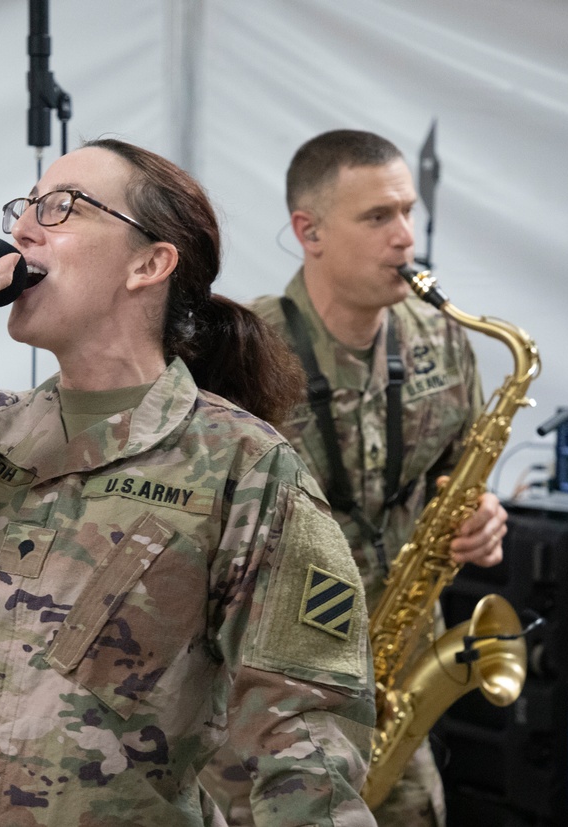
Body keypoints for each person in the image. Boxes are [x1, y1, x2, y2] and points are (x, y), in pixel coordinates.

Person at [0, 138, 379, 826]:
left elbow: (307, 737)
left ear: (149, 262)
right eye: (25, 205)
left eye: (61, 207)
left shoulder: (244, 468)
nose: (22, 228)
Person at [199, 130, 509, 827]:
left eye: (409, 212)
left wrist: (480, 512)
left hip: (395, 680)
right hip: (266, 695)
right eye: (378, 217)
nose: (405, 238)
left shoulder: (443, 339)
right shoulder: (243, 350)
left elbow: (457, 473)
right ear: (308, 231)